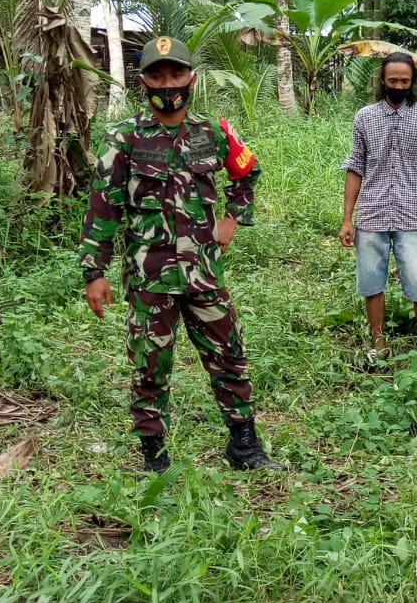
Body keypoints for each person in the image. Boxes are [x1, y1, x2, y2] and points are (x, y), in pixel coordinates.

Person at [80, 35, 282, 473]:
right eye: (157, 75)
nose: (167, 83)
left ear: (191, 78)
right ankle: (154, 456)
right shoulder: (124, 137)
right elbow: (103, 206)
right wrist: (93, 272)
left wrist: (233, 218)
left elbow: (249, 173)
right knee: (150, 366)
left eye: (176, 74)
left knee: (229, 356)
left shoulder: (212, 132)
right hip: (149, 276)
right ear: (143, 82)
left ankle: (244, 446)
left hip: (204, 274)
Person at [340, 52, 417, 356]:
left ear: (412, 81)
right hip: (371, 215)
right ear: (382, 81)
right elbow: (355, 167)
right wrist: (347, 218)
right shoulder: (365, 117)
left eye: (404, 81)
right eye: (392, 81)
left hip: (411, 215)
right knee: (372, 283)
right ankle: (379, 346)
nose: (398, 86)